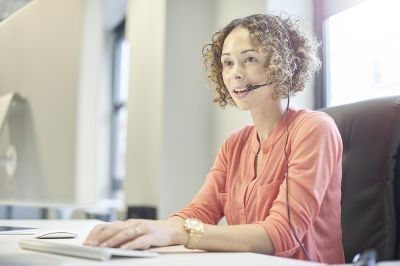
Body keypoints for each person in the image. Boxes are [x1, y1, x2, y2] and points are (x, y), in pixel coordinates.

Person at [84, 14, 344, 264]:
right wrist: (144, 231)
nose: (235, 74)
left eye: (250, 59)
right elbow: (200, 211)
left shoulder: (314, 129)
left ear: (282, 64)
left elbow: (282, 232)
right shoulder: (235, 144)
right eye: (228, 63)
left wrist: (182, 233)